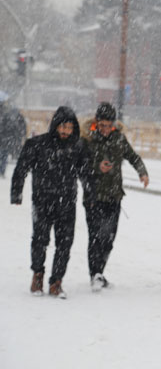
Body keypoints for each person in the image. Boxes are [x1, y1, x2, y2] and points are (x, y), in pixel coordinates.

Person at [10, 106, 91, 298]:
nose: (65, 132)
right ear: (55, 125)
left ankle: (56, 281)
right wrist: (16, 193)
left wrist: (91, 194)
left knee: (65, 243)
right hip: (42, 200)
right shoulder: (37, 144)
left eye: (69, 128)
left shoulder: (78, 147)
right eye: (62, 127)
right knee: (40, 239)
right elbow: (21, 168)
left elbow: (87, 173)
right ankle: (37, 275)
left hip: (67, 202)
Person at [82, 102, 149, 291]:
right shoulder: (87, 140)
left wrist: (142, 172)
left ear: (113, 124)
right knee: (95, 237)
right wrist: (97, 167)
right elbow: (80, 166)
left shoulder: (119, 138)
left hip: (114, 196)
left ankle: (99, 272)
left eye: (108, 125)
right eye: (101, 125)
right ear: (96, 122)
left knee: (108, 239)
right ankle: (94, 274)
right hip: (93, 196)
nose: (105, 129)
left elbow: (133, 157)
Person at [0, 99, 26, 177]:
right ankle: (2, 171)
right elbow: (20, 129)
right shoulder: (14, 119)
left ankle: (2, 170)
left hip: (3, 141)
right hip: (7, 141)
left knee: (2, 155)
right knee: (4, 156)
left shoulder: (4, 119)